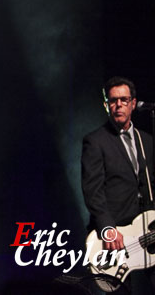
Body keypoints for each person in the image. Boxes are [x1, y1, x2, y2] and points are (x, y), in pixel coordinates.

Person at [81, 76, 155, 291]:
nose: (119, 105)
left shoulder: (147, 141)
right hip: (116, 232)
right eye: (113, 101)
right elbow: (92, 190)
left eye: (124, 100)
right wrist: (107, 228)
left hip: (148, 226)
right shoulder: (95, 141)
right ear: (106, 105)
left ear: (133, 103)